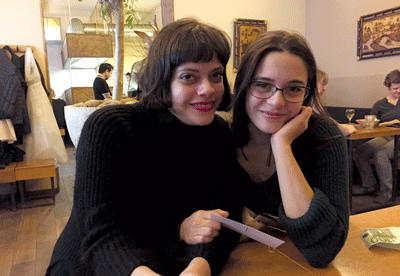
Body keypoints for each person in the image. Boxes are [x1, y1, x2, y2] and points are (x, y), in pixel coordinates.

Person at [46, 18, 243, 276]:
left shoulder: (218, 133)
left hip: (174, 258)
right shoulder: (110, 127)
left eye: (215, 75)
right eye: (188, 77)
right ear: (162, 79)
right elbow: (103, 232)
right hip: (94, 263)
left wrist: (198, 268)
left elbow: (222, 218)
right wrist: (177, 230)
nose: (208, 89)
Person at [230, 31, 349, 268]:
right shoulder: (222, 137)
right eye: (263, 85)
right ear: (243, 85)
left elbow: (322, 252)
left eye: (294, 89)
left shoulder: (324, 136)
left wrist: (282, 145)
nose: (276, 101)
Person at [353, 69, 400, 204]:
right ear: (387, 87)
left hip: (399, 138)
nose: (398, 91)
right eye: (395, 88)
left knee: (381, 153)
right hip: (385, 136)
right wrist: (389, 123)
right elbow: (372, 124)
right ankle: (369, 186)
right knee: (360, 152)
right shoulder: (380, 104)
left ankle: (387, 192)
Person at [316, 69, 357, 136]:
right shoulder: (310, 105)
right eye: (322, 84)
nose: (325, 89)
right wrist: (347, 129)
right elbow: (326, 124)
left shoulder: (316, 103)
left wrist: (340, 126)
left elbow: (328, 121)